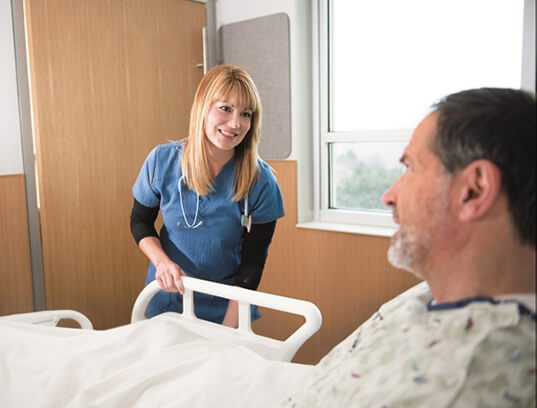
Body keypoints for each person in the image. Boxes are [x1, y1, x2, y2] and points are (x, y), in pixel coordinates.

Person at [284, 88, 536, 407]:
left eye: (410, 167)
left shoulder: (464, 383)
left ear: (473, 190)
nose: (388, 196)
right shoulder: (434, 294)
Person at [130, 64, 284, 327]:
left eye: (245, 114)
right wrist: (162, 263)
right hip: (168, 297)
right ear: (203, 106)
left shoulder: (261, 181)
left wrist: (228, 331)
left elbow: (253, 264)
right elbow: (140, 221)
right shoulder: (162, 162)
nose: (235, 123)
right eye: (225, 108)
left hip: (226, 305)